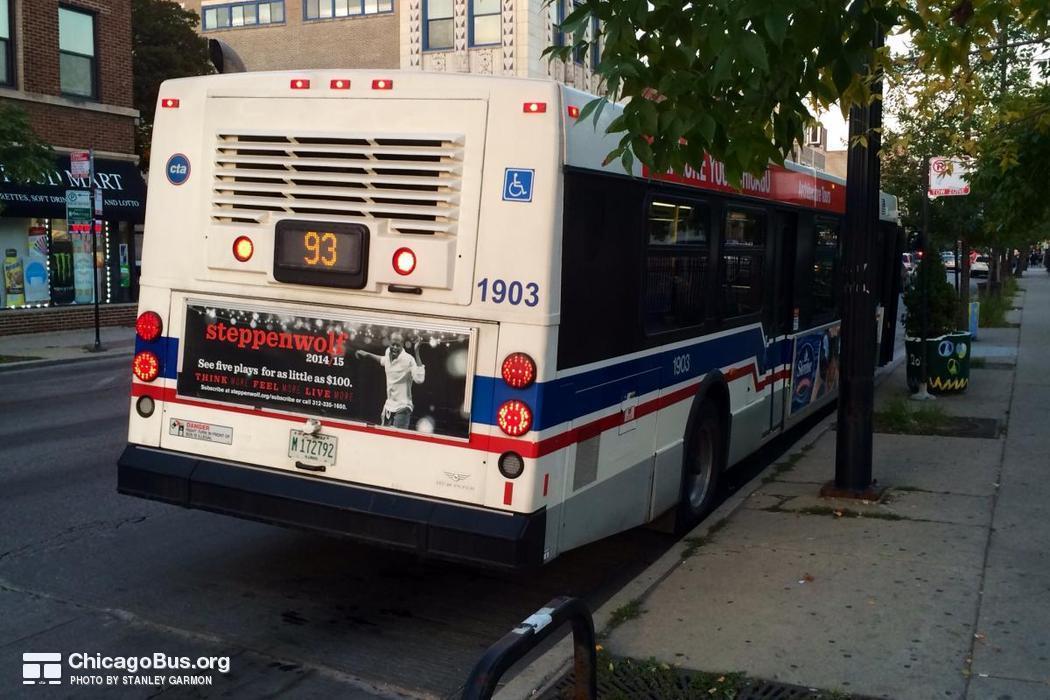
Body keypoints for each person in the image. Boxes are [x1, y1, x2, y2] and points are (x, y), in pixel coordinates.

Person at [355, 332, 425, 429]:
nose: (395, 348)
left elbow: (419, 379)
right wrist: (367, 354)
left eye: (398, 345)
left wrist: (417, 352)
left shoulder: (408, 360)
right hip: (389, 406)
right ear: (389, 343)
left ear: (402, 345)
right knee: (383, 438)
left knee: (397, 439)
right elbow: (383, 360)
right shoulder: (388, 352)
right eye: (393, 344)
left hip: (403, 407)